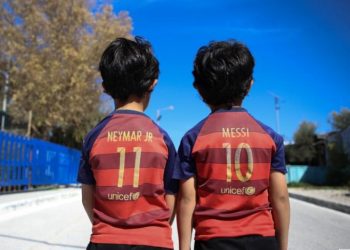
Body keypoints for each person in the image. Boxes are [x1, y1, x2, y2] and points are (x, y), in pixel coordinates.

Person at [174, 40, 290, 250]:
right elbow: (280, 197)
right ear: (250, 84)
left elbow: (186, 200)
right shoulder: (270, 137)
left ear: (199, 89)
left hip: (212, 241)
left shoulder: (193, 138)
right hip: (262, 240)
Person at [77, 37, 178, 250]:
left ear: (105, 87)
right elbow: (170, 198)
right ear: (153, 83)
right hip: (155, 242)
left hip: (104, 241)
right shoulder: (163, 138)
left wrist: (107, 229)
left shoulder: (94, 136)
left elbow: (88, 198)